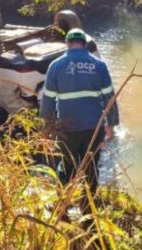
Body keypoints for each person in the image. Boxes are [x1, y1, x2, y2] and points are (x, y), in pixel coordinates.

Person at [40, 28, 118, 197]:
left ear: (67, 43)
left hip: (67, 128)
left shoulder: (55, 65)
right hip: (93, 128)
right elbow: (109, 97)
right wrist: (111, 125)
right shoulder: (99, 65)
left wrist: (46, 127)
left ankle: (64, 202)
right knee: (91, 167)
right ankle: (88, 205)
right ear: (84, 44)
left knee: (67, 166)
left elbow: (48, 99)